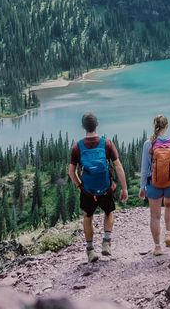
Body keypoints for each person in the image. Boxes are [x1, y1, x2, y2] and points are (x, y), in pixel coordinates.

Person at [69, 112, 128, 263]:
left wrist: (80, 186)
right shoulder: (106, 143)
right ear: (97, 125)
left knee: (88, 216)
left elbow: (71, 171)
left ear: (83, 126)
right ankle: (106, 241)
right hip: (105, 188)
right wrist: (124, 188)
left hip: (88, 190)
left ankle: (90, 250)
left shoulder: (77, 146)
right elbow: (118, 166)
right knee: (109, 212)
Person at [139, 114, 170, 255]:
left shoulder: (149, 143)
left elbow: (144, 169)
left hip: (153, 185)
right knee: (169, 205)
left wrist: (142, 187)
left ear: (155, 126)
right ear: (167, 126)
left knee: (155, 216)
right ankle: (168, 234)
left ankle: (157, 247)